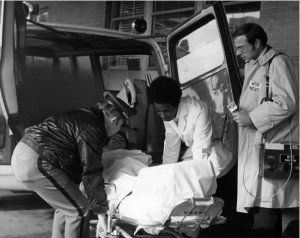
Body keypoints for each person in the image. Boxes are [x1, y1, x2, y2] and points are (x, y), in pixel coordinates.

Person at [11, 91, 136, 238]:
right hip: (36, 159)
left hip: (25, 153)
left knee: (67, 206)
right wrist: (101, 214)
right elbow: (91, 171)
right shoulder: (93, 129)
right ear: (115, 119)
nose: (118, 131)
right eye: (121, 126)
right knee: (80, 209)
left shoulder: (87, 115)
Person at [232, 22, 299, 238]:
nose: (238, 52)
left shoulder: (278, 63)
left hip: (277, 148)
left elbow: (286, 103)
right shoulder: (255, 63)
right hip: (261, 145)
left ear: (258, 42)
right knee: (264, 205)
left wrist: (251, 117)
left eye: (241, 47)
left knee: (278, 206)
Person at [148, 76, 212, 164]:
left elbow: (201, 148)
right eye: (158, 111)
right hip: (194, 148)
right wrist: (165, 170)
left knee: (196, 173)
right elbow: (171, 147)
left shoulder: (198, 111)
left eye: (166, 111)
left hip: (213, 148)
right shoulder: (168, 114)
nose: (162, 116)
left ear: (176, 103)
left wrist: (196, 173)